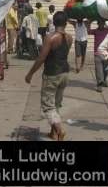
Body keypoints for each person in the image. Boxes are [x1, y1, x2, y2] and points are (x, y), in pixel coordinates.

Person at [25, 11, 72, 141]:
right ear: (66, 23)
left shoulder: (50, 38)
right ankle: (53, 133)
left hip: (52, 74)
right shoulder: (69, 37)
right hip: (65, 73)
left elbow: (41, 58)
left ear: (53, 22)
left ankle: (59, 130)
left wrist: (30, 74)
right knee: (56, 104)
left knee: (48, 106)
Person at [88, 18, 108, 92]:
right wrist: (89, 22)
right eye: (100, 23)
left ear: (104, 24)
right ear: (98, 24)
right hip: (97, 54)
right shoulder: (95, 31)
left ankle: (103, 81)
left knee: (106, 70)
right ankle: (99, 84)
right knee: (98, 70)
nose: (101, 25)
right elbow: (88, 31)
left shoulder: (107, 30)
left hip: (106, 54)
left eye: (102, 23)